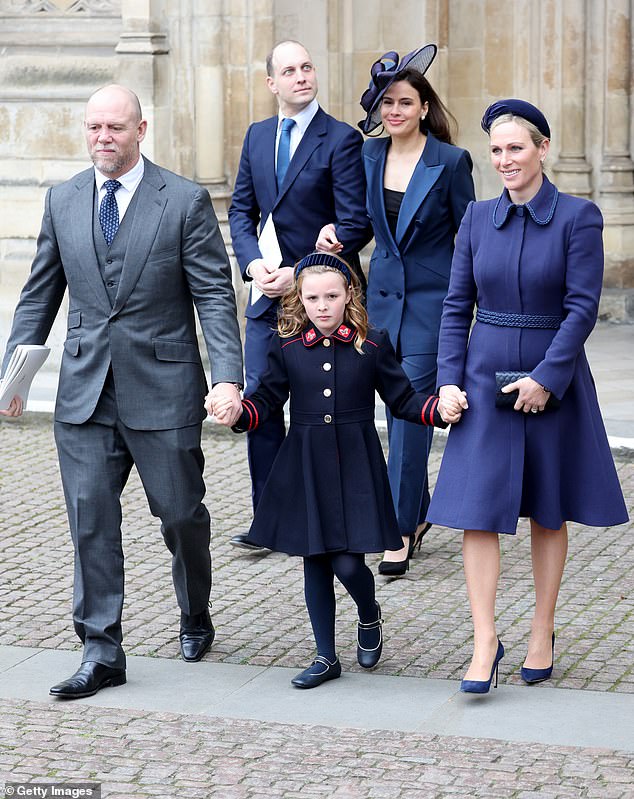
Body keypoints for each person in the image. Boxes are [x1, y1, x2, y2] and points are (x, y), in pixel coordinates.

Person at [0, 85, 244, 699]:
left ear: (141, 129)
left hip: (163, 388)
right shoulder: (63, 200)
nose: (102, 137)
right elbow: (38, 296)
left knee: (181, 516)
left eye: (114, 127)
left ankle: (195, 611)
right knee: (91, 523)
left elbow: (214, 294)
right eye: (92, 127)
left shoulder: (184, 201)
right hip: (84, 393)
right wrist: (13, 378)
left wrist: (228, 379)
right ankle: (101, 649)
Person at [426, 99, 629, 694]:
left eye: (516, 148)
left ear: (543, 149)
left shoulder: (578, 217)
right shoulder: (475, 218)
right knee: (475, 511)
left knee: (547, 507)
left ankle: (542, 629)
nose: (505, 160)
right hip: (484, 374)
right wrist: (447, 381)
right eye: (496, 150)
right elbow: (455, 306)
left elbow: (582, 308)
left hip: (553, 377)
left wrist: (547, 378)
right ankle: (485, 639)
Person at [210, 252, 462, 688]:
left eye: (331, 295)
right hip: (304, 463)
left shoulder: (372, 341)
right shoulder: (286, 344)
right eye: (312, 297)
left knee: (348, 565)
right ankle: (326, 656)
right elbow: (265, 402)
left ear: (349, 295)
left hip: (356, 463)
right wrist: (237, 412)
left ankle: (369, 612)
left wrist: (437, 408)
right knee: (315, 561)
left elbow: (402, 400)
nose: (322, 305)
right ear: (299, 300)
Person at [318, 45, 475, 576]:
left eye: (405, 102)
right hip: (380, 301)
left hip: (434, 305)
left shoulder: (451, 162)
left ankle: (400, 527)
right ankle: (420, 507)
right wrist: (338, 236)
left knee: (410, 417)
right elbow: (364, 226)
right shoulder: (369, 155)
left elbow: (466, 236)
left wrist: (468, 302)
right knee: (379, 409)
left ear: (423, 107)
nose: (395, 111)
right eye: (387, 103)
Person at [228, 40, 372, 551]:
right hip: (266, 295)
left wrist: (302, 273)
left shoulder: (341, 140)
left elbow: (356, 223)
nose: (301, 76)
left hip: (320, 299)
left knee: (322, 411)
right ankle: (268, 519)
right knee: (261, 404)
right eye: (289, 70)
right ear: (272, 83)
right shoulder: (258, 135)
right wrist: (253, 264)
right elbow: (240, 211)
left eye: (307, 67)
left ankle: (333, 516)